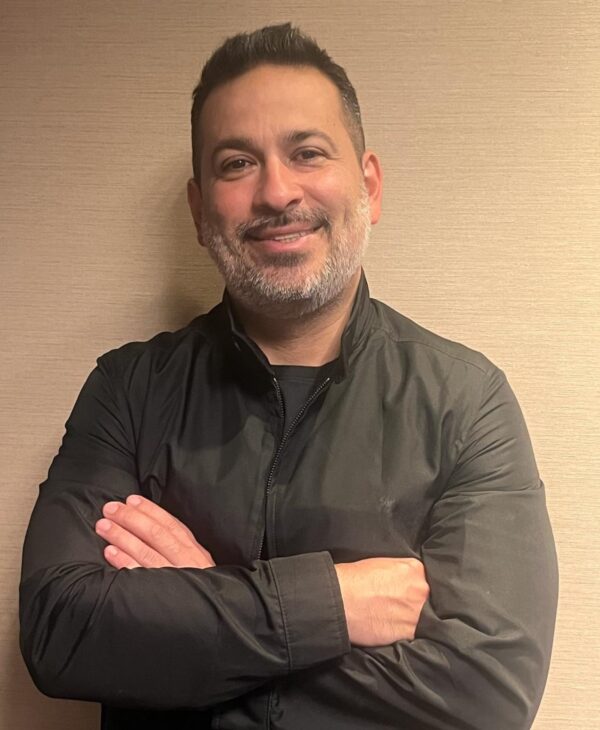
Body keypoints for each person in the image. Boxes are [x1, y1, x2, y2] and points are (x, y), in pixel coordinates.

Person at [19, 23, 558, 730]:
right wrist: (329, 605)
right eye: (237, 163)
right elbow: (62, 632)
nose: (276, 192)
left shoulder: (466, 401)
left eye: (307, 153)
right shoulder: (128, 388)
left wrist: (203, 607)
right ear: (199, 210)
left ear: (369, 185)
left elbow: (488, 694)